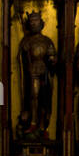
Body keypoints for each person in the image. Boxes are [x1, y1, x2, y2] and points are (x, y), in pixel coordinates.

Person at [17, 12, 56, 140]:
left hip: (44, 72)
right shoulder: (26, 41)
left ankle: (42, 126)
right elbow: (21, 61)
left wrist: (52, 59)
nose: (34, 23)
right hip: (32, 72)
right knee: (34, 96)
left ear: (41, 23)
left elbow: (53, 61)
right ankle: (33, 122)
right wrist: (24, 50)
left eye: (36, 20)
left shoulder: (47, 41)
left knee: (44, 100)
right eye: (31, 21)